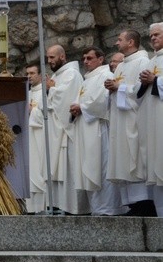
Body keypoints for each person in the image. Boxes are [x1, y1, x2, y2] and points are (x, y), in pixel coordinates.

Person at [69, 47, 125, 215]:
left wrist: (82, 107)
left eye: (89, 58)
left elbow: (102, 102)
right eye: (84, 58)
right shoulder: (86, 80)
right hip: (85, 129)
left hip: (98, 129)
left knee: (101, 167)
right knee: (89, 168)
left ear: (100, 59)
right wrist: (75, 108)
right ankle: (96, 208)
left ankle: (109, 208)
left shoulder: (105, 75)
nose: (85, 61)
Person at [105, 29, 155, 216]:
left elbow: (142, 90)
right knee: (124, 160)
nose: (117, 43)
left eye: (120, 40)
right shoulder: (121, 65)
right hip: (120, 120)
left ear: (131, 42)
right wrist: (111, 89)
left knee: (135, 159)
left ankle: (143, 204)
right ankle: (131, 204)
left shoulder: (143, 61)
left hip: (134, 120)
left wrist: (119, 87)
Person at [45, 44, 87, 215]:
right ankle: (61, 205)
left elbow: (66, 99)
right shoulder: (58, 75)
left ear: (62, 56)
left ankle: (77, 208)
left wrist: (50, 89)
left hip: (67, 131)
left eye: (52, 57)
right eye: (48, 58)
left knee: (70, 169)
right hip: (57, 131)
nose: (49, 61)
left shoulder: (72, 74)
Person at [136, 23, 163, 216]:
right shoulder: (152, 61)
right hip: (153, 121)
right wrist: (145, 82)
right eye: (151, 35)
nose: (153, 38)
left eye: (157, 35)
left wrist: (156, 81)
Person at [25, 61, 47, 214]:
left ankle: (41, 206)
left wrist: (32, 110)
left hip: (40, 135)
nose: (29, 76)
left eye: (32, 73)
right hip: (28, 136)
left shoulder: (45, 92)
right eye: (27, 73)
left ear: (40, 75)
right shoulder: (27, 93)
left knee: (39, 169)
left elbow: (47, 115)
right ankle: (29, 207)